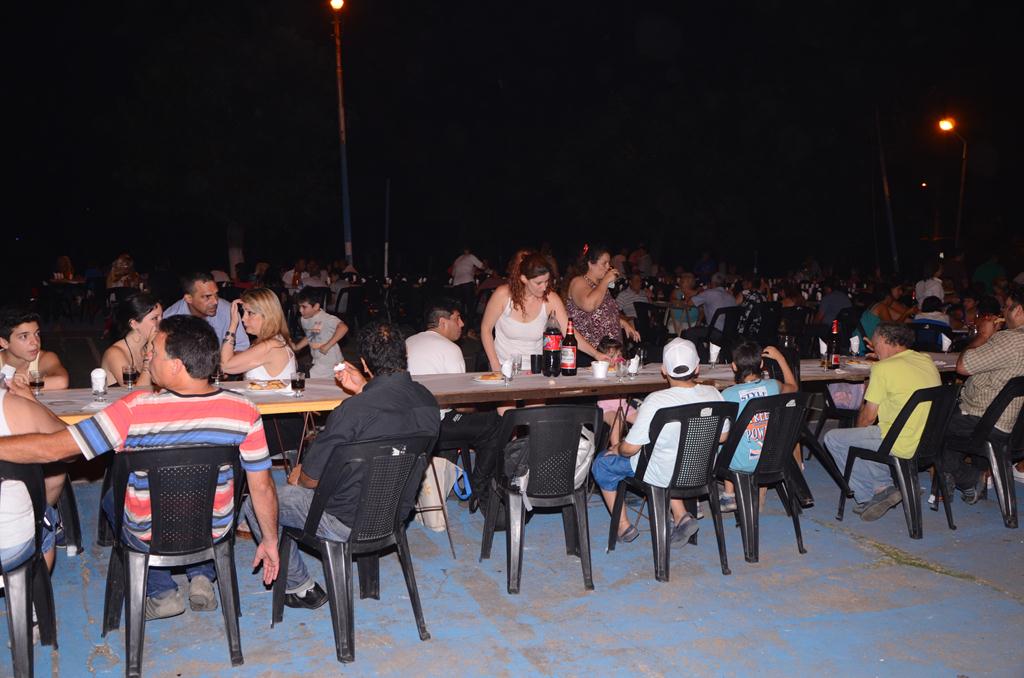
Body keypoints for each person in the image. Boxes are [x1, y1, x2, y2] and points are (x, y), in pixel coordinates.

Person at [0, 316, 281, 620]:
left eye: (154, 352)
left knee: (112, 498)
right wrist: (270, 540)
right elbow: (262, 486)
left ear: (176, 365)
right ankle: (202, 574)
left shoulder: (134, 410)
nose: (147, 356)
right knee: (201, 498)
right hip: (213, 530)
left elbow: (55, 448)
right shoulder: (245, 410)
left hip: (148, 533)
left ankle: (161, 591)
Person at [243, 322, 440, 609]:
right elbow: (388, 418)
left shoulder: (352, 411)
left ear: (364, 364)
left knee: (257, 502)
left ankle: (300, 587)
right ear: (405, 355)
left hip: (343, 522)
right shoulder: (428, 401)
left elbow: (311, 478)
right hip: (394, 514)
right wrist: (364, 390)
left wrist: (298, 477)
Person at [590, 338, 726, 545]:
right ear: (697, 368)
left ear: (663, 370)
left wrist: (617, 448)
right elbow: (723, 436)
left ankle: (623, 526)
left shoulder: (656, 401)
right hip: (702, 469)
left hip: (664, 471)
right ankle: (681, 516)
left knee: (602, 464)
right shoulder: (713, 393)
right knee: (664, 458)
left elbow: (629, 449)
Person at [825, 322, 941, 520]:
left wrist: (856, 436)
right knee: (871, 436)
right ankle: (883, 488)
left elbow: (868, 418)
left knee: (835, 439)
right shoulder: (925, 360)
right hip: (930, 441)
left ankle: (868, 497)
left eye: (875, 343)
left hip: (901, 443)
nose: (872, 348)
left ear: (886, 340)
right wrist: (882, 356)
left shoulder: (883, 369)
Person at [406, 298, 504, 500]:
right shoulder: (449, 348)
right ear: (443, 322)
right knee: (495, 424)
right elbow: (461, 405)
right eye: (457, 318)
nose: (462, 324)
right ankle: (479, 489)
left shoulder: (408, 342)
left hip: (405, 421)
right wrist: (481, 407)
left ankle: (448, 474)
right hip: (434, 424)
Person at [942, 284, 1024, 501]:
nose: (1002, 311)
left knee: (931, 423)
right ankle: (953, 478)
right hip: (1016, 425)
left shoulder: (1011, 339)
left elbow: (962, 367)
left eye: (1006, 307)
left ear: (1018, 310)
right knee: (949, 418)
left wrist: (984, 336)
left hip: (986, 421)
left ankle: (969, 478)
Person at [480, 253, 607, 371]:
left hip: (535, 370)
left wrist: (596, 354)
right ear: (524, 279)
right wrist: (495, 364)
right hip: (503, 366)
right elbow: (486, 329)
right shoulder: (503, 295)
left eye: (546, 281)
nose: (544, 287)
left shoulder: (550, 299)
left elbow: (569, 333)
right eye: (538, 283)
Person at [718, 340, 798, 512]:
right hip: (771, 459)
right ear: (761, 364)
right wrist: (781, 359)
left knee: (723, 435)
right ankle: (752, 494)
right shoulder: (774, 385)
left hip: (740, 465)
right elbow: (793, 387)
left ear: (733, 366)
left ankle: (729, 494)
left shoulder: (727, 394)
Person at [0, 387, 66, 579]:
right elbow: (73, 444)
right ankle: (33, 594)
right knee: (45, 515)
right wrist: (33, 403)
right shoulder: (15, 407)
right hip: (11, 548)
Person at [566, 246, 640, 354]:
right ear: (590, 264)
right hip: (590, 352)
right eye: (604, 263)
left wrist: (623, 323)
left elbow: (603, 314)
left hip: (610, 351)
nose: (608, 267)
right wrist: (606, 280)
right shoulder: (578, 282)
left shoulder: (601, 286)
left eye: (609, 263)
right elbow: (589, 305)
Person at [220, 288, 296, 381]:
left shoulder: (271, 346)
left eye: (250, 313)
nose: (243, 318)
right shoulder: (271, 341)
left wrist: (233, 324)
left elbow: (225, 366)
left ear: (267, 315)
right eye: (244, 312)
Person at [163, 271, 250, 350]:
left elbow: (242, 348)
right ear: (189, 298)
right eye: (207, 297)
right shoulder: (170, 319)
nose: (215, 301)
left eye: (216, 294)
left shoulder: (228, 310)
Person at [102, 292, 162, 387]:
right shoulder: (114, 354)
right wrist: (149, 358)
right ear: (133, 323)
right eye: (155, 318)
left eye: (162, 317)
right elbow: (136, 392)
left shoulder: (150, 348)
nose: (161, 323)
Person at [0, 307, 69, 391]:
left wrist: (22, 385)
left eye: (37, 333)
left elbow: (61, 381)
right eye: (24, 336)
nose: (35, 342)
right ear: (4, 342)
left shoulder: (44, 358)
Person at [292, 287, 347, 378]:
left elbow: (343, 328)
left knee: (307, 379)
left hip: (332, 361)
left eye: (304, 307)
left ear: (316, 306)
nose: (300, 310)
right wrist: (297, 347)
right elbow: (311, 335)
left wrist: (328, 345)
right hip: (319, 361)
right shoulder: (304, 319)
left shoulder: (326, 319)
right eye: (299, 306)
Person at [451, 247, 485, 325]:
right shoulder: (470, 256)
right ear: (468, 250)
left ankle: (459, 324)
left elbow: (453, 273)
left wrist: (472, 271)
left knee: (459, 305)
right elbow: (482, 266)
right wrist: (485, 264)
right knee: (470, 305)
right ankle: (470, 325)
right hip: (467, 282)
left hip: (456, 284)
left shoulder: (457, 259)